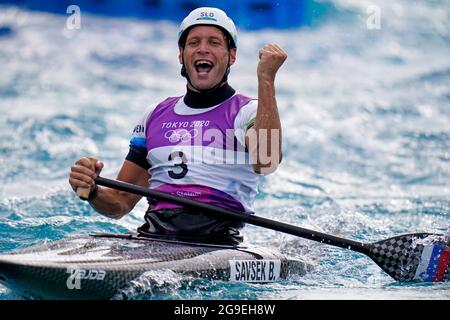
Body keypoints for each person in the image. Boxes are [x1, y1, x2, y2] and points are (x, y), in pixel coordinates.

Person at [68, 7, 287, 245]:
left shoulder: (248, 111)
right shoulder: (154, 115)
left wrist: (266, 80)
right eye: (194, 42)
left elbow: (266, 161)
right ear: (181, 55)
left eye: (214, 42)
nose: (203, 48)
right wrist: (92, 190)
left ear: (231, 56)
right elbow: (120, 202)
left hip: (217, 243)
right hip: (153, 238)